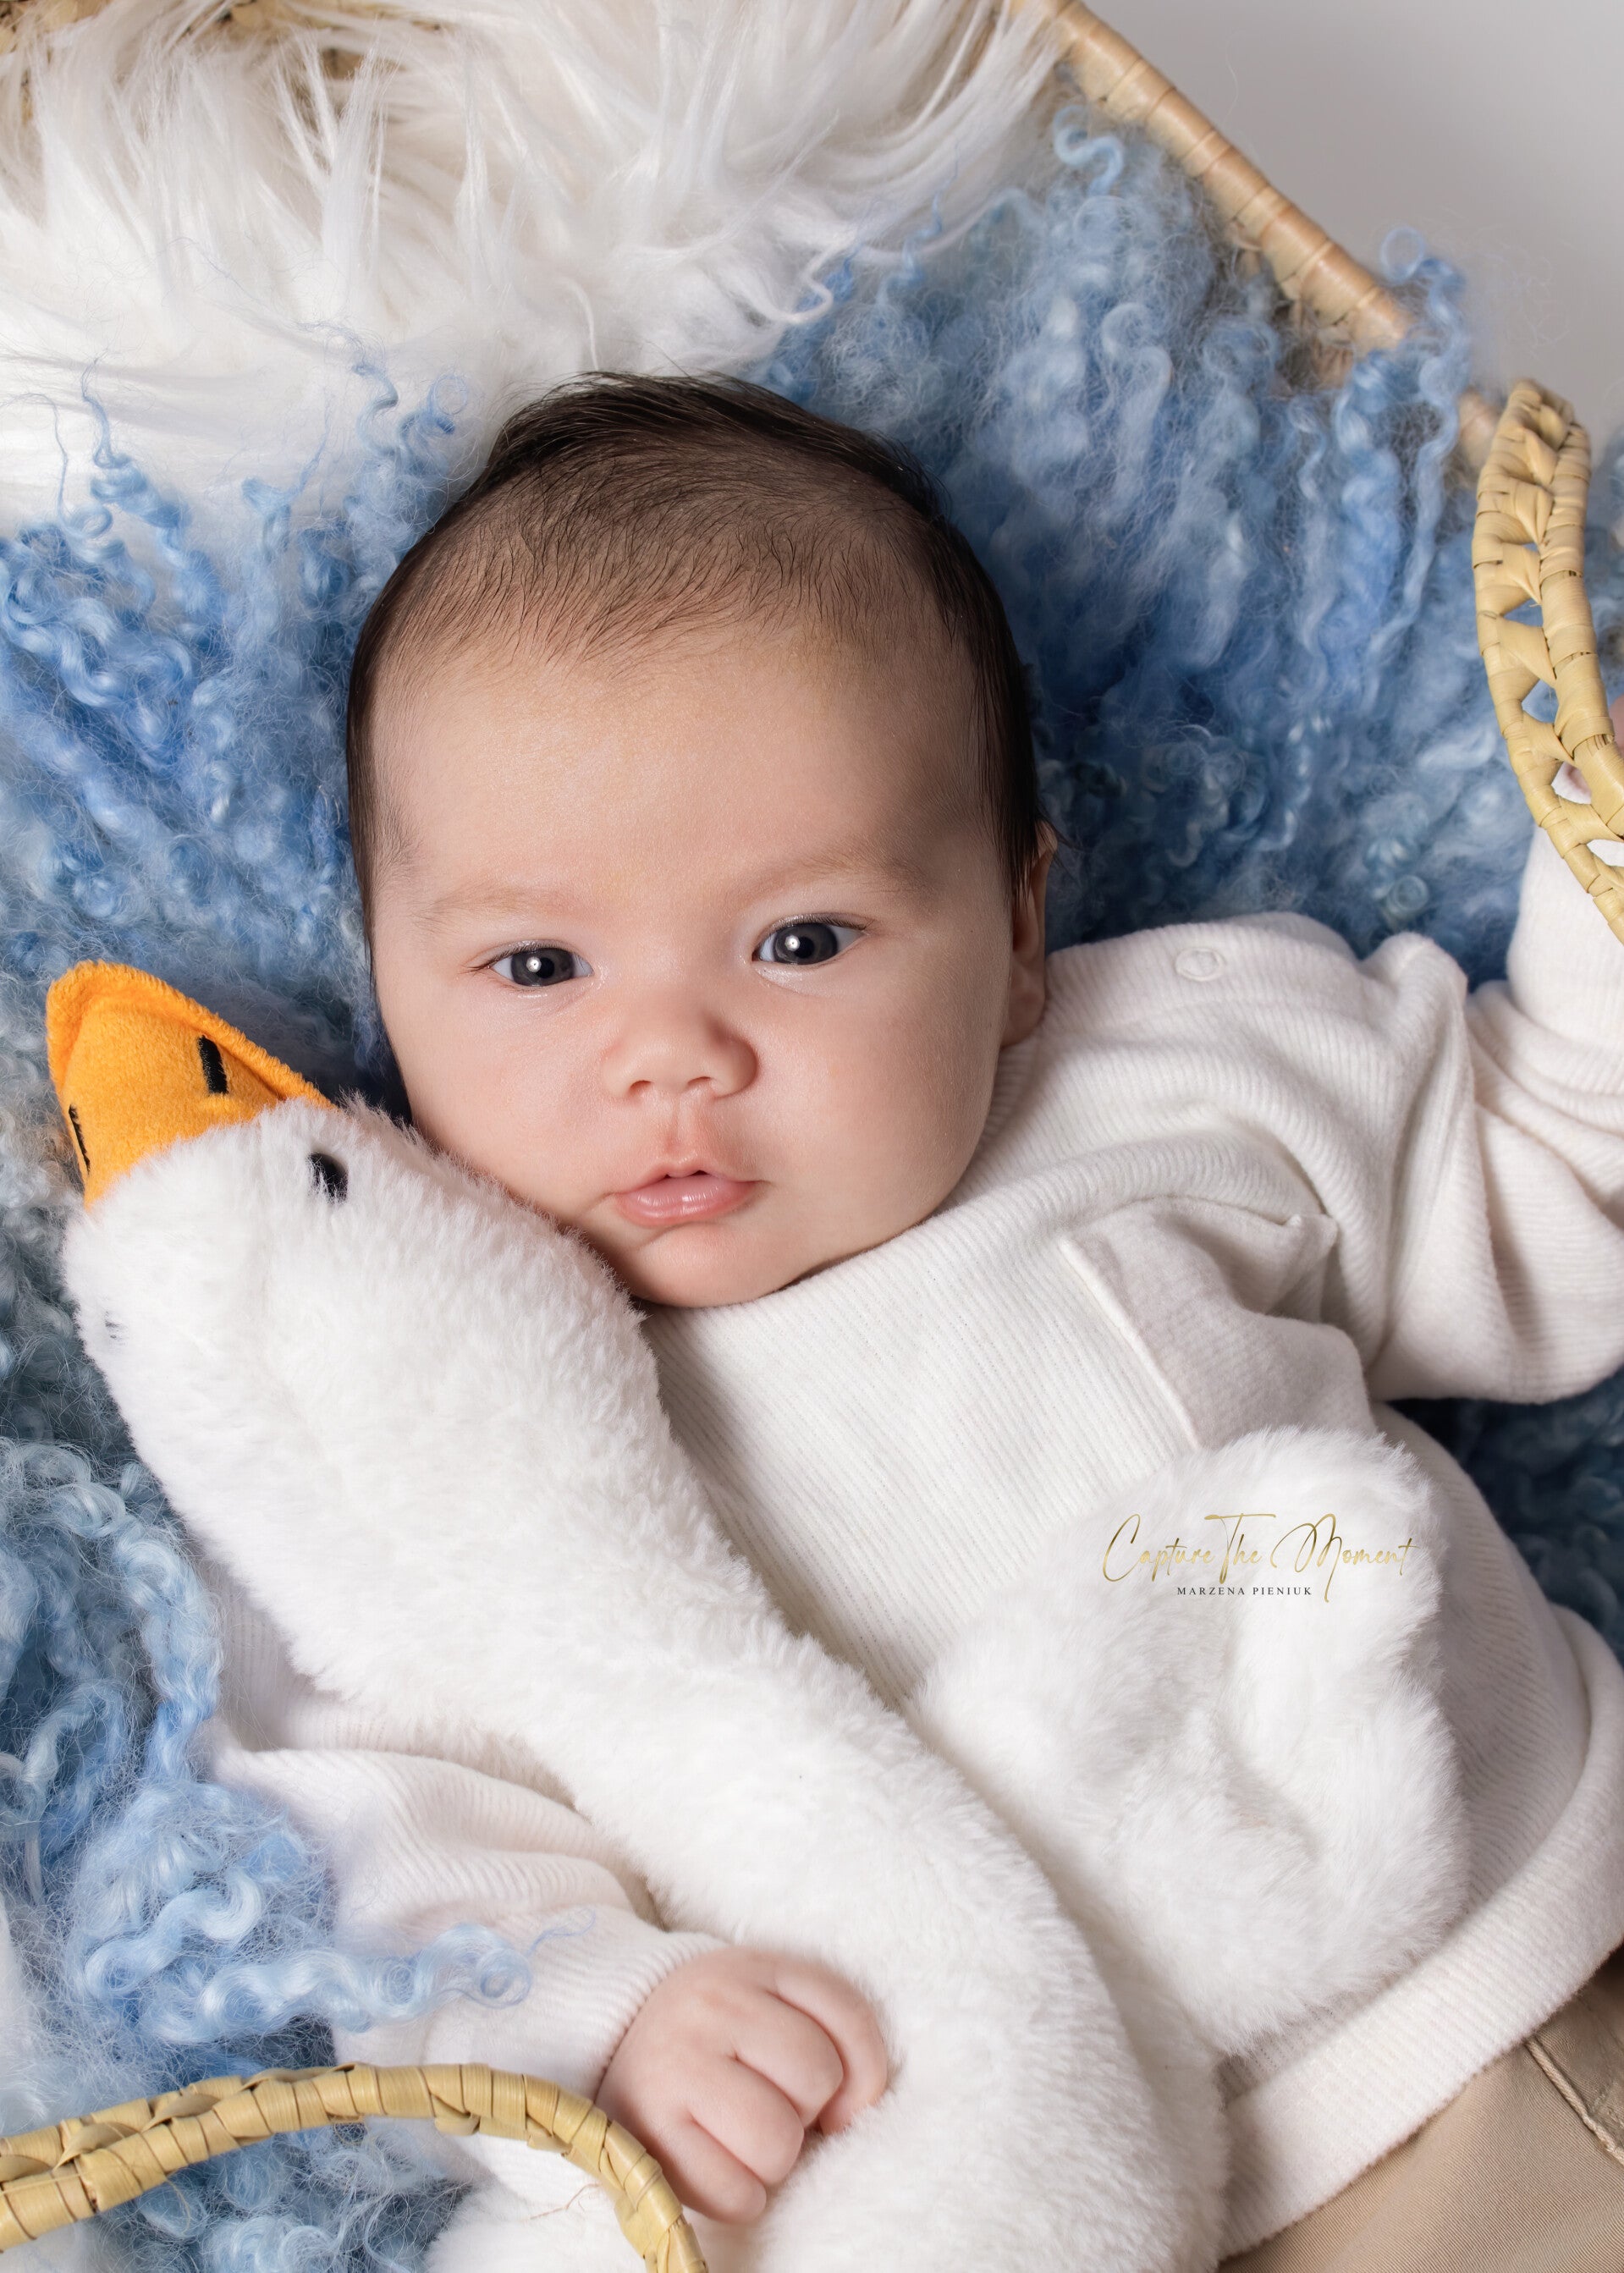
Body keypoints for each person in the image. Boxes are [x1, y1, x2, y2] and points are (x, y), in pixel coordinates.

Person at [172, 372, 1624, 2265]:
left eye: (802, 941)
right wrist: (612, 2014)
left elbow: (1548, 1173)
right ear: (384, 981)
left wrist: (1602, 886)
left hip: (1479, 2015)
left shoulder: (1173, 1077)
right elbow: (380, 1839)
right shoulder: (421, 1395)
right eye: (537, 963)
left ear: (1017, 931)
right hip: (994, 2189)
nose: (671, 1054)